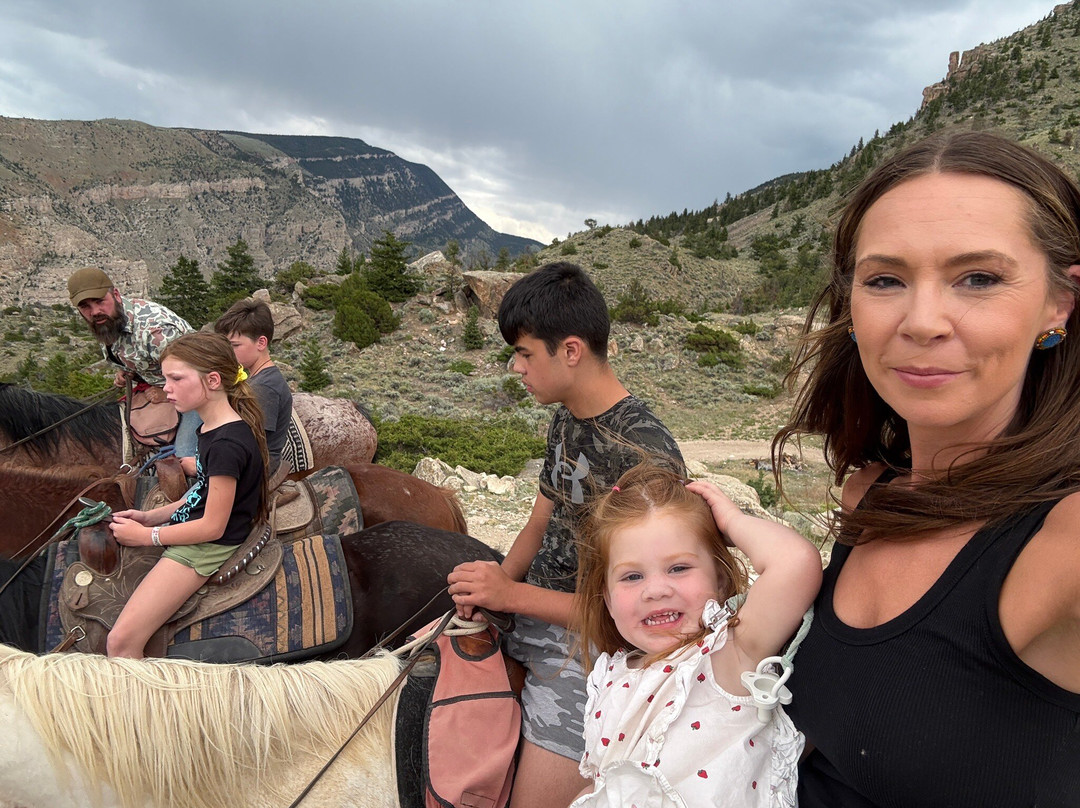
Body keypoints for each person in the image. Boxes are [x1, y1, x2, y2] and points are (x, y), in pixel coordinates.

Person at [776, 131, 1080, 807]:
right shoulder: (870, 497)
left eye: (978, 278)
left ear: (1059, 304)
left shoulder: (1064, 538)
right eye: (885, 279)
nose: (922, 321)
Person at [447, 262, 685, 808]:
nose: (517, 367)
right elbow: (539, 520)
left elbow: (641, 612)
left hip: (594, 645)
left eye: (526, 353)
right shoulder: (566, 415)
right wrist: (494, 587)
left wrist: (511, 595)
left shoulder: (645, 457)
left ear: (571, 351)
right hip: (533, 601)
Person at [569, 462, 821, 807]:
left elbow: (795, 562)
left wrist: (731, 524)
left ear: (720, 579)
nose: (655, 590)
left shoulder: (730, 655)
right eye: (631, 577)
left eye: (679, 568)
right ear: (607, 600)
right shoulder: (611, 675)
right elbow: (608, 781)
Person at [106, 332, 269, 659]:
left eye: (176, 378)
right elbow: (203, 492)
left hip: (205, 548)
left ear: (212, 380)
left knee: (121, 643)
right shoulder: (210, 429)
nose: (165, 388)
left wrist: (147, 536)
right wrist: (152, 515)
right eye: (166, 378)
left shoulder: (226, 445)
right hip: (197, 530)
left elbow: (212, 526)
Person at [66, 267, 199, 459]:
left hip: (200, 393)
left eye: (100, 301)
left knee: (184, 455)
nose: (95, 311)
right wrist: (129, 371)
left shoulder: (156, 331)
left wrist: (165, 392)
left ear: (116, 295)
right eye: (85, 306)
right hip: (163, 389)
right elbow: (140, 357)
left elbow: (201, 372)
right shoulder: (110, 322)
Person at [214, 299, 294, 475]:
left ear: (261, 343)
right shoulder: (259, 379)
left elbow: (249, 443)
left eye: (235, 345)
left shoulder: (264, 387)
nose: (228, 351)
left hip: (255, 469)